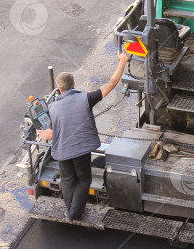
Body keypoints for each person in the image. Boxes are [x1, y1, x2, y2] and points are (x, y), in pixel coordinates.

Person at [37, 51, 130, 220]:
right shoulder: (86, 98)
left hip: (63, 151)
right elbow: (111, 83)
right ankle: (74, 213)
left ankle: (70, 210)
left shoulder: (52, 108)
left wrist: (47, 134)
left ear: (59, 89)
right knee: (84, 180)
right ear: (74, 84)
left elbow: (52, 133)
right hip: (80, 150)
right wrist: (122, 61)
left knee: (67, 181)